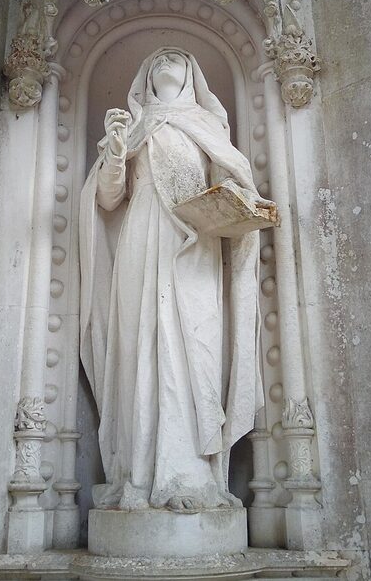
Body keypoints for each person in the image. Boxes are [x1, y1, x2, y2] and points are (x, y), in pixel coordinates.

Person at [79, 47, 266, 512]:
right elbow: (107, 199)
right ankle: (137, 478)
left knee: (197, 349)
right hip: (143, 239)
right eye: (157, 57)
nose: (165, 60)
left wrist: (240, 203)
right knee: (142, 349)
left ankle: (194, 477)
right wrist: (116, 153)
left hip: (197, 244)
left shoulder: (209, 126)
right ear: (144, 75)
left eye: (176, 58)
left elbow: (232, 181)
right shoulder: (132, 127)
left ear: (191, 75)